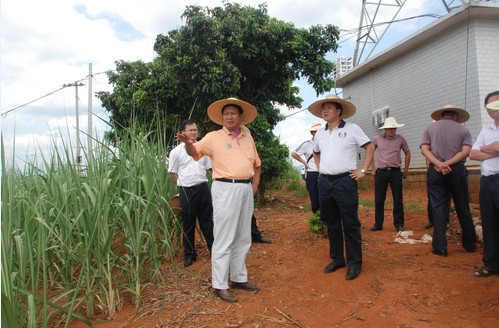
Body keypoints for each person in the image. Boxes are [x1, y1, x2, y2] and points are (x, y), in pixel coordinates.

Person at [176, 97, 261, 303]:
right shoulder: (213, 137)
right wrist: (188, 144)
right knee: (224, 238)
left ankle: (239, 279)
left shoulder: (248, 138)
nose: (229, 116)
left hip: (245, 189)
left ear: (241, 117)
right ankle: (219, 285)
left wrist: (253, 188)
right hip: (225, 188)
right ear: (222, 117)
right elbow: (194, 151)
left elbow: (257, 165)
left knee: (243, 237)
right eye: (226, 113)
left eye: (233, 113)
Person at [308, 94, 374, 281]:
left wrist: (363, 170)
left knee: (350, 223)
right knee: (332, 223)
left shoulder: (352, 129)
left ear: (338, 111)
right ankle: (337, 259)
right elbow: (315, 152)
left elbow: (369, 147)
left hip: (345, 182)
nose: (325, 111)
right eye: (323, 108)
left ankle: (355, 263)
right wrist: (320, 170)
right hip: (325, 183)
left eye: (329, 107)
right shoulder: (320, 133)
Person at [420, 104, 477, 257]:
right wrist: (449, 163)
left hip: (436, 170)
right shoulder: (463, 130)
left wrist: (439, 163)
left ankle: (440, 247)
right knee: (462, 206)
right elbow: (466, 151)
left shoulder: (429, 129)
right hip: (457, 170)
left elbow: (425, 149)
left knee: (438, 208)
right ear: (456, 116)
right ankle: (470, 244)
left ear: (441, 116)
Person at [168, 119, 214, 268]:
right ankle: (189, 255)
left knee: (207, 221)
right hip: (186, 191)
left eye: (195, 130)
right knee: (188, 223)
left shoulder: (203, 149)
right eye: (190, 130)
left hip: (203, 189)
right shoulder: (176, 152)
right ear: (183, 133)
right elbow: (173, 174)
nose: (194, 132)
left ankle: (214, 251)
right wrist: (183, 186)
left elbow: (206, 169)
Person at [469, 92, 499, 277]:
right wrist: (494, 148)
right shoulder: (486, 130)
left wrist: (487, 149)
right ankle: (492, 264)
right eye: (489, 106)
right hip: (487, 182)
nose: (492, 109)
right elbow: (472, 154)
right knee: (490, 224)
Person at [369, 117, 411, 232]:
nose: (392, 131)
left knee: (398, 198)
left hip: (395, 172)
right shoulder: (377, 139)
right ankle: (378, 224)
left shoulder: (400, 139)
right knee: (379, 199)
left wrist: (406, 169)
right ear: (385, 129)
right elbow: (369, 151)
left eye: (394, 128)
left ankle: (399, 224)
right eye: (389, 129)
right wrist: (372, 168)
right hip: (381, 172)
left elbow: (407, 152)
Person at [291, 122, 323, 214]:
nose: (317, 133)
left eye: (319, 131)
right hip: (312, 173)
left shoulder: (326, 143)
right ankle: (316, 218)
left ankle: (326, 219)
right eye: (315, 131)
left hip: (325, 173)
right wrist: (305, 162)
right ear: (311, 133)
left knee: (325, 197)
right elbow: (294, 154)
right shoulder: (307, 144)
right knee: (314, 196)